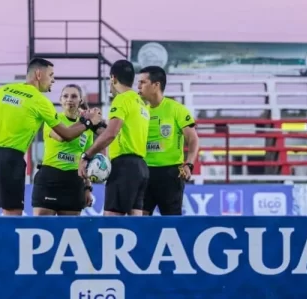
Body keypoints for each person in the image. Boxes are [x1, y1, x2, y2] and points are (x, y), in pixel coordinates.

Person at [0, 58, 101, 216]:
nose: (53, 80)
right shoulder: (41, 101)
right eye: (51, 75)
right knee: (12, 216)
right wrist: (89, 122)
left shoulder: (3, 90)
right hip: (10, 159)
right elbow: (66, 135)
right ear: (39, 74)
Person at [78, 60, 149, 216]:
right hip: (141, 168)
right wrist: (95, 124)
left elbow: (111, 134)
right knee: (136, 221)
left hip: (124, 167)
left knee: (111, 222)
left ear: (113, 78)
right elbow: (117, 132)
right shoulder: (141, 103)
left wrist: (86, 156)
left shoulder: (121, 99)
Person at [137, 66, 200, 215]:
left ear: (156, 85)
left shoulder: (176, 109)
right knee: (141, 220)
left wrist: (189, 164)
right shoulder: (139, 111)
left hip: (170, 174)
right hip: (144, 172)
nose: (138, 87)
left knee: (171, 221)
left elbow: (193, 139)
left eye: (143, 82)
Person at [32, 85, 97, 216]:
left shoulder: (87, 129)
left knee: (70, 227)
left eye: (74, 96)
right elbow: (63, 136)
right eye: (65, 96)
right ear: (60, 100)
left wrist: (87, 188)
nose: (69, 99)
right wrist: (87, 122)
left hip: (74, 181)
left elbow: (86, 161)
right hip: (50, 178)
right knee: (41, 225)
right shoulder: (53, 119)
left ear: (80, 101)